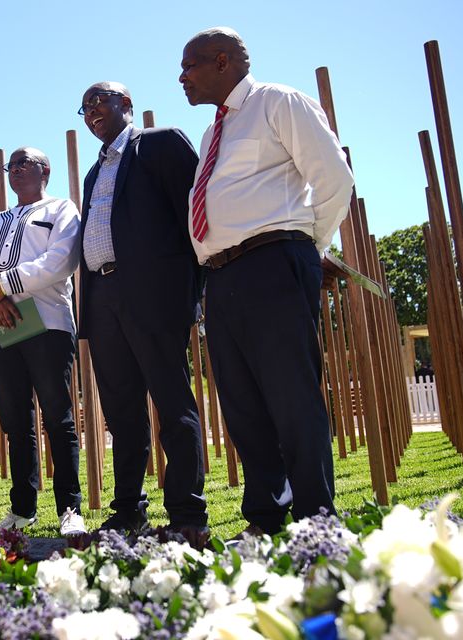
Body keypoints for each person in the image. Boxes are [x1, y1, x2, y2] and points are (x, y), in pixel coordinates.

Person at [179, 27, 354, 536]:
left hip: (274, 262)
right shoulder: (213, 132)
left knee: (291, 395)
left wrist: (307, 248)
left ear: (221, 60)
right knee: (242, 403)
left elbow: (334, 178)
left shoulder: (278, 101)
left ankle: (316, 521)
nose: (181, 78)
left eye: (188, 66)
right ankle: (265, 517)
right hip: (222, 277)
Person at [78, 82, 209, 546]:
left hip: (154, 296)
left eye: (100, 101)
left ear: (126, 105)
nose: (91, 111)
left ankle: (188, 512)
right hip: (103, 299)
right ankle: (128, 511)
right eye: (85, 107)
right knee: (122, 413)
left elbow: (195, 216)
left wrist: (192, 294)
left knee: (172, 403)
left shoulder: (158, 143)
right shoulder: (95, 172)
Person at [0, 147, 86, 537]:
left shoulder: (61, 210)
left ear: (44, 170)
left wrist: (2, 286)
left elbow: (61, 261)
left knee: (58, 416)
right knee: (15, 422)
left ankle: (70, 507)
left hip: (48, 322)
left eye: (24, 164)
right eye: (10, 166)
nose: (15, 170)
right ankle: (22, 508)